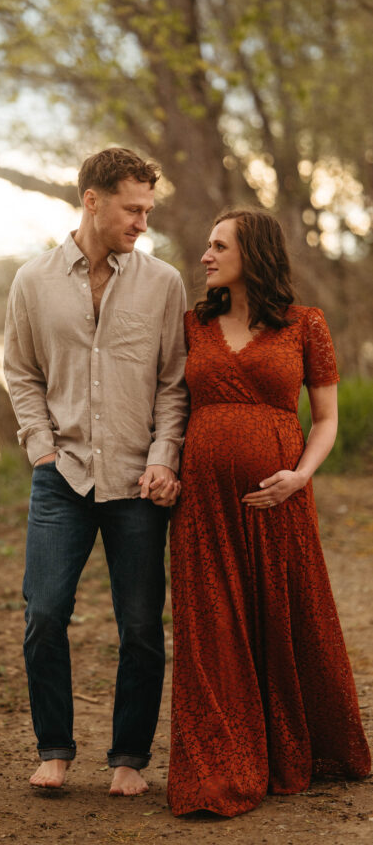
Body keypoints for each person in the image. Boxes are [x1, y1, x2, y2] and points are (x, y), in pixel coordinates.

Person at [167, 207, 371, 817]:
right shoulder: (191, 325)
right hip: (203, 505)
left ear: (252, 253)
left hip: (280, 499)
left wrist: (299, 477)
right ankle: (219, 766)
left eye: (217, 245)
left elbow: (327, 419)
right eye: (206, 245)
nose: (205, 255)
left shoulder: (305, 325)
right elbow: (168, 406)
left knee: (286, 618)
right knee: (212, 629)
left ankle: (293, 748)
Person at [3, 147, 188, 795]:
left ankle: (127, 761)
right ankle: (53, 749)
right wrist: (41, 449)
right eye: (132, 208)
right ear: (92, 199)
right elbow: (21, 373)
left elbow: (173, 384)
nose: (141, 222)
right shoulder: (32, 280)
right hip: (63, 476)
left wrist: (163, 458)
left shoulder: (162, 283)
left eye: (147, 211)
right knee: (44, 613)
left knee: (140, 625)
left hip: (137, 480)